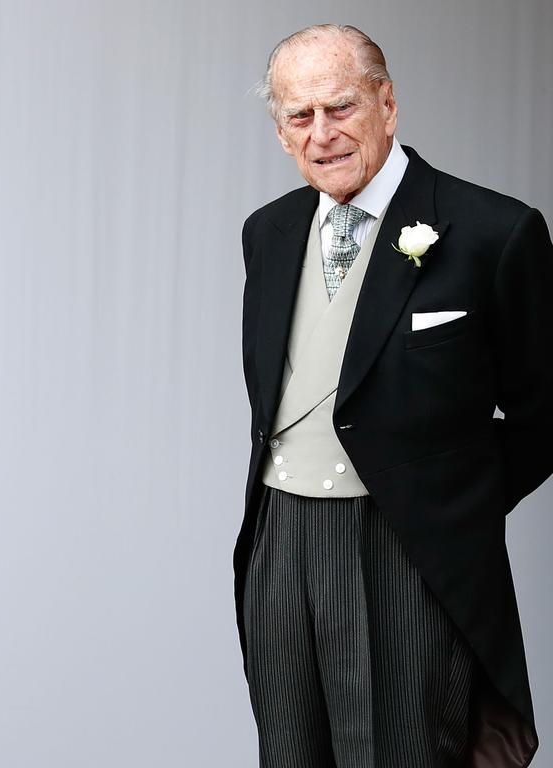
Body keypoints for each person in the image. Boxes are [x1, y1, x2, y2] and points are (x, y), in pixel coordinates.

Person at [237, 24, 552, 768]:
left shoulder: (494, 231)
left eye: (340, 108)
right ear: (281, 132)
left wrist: (447, 500)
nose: (322, 134)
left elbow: (548, 409)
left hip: (406, 550)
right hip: (279, 540)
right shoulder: (269, 232)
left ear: (387, 104)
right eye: (299, 116)